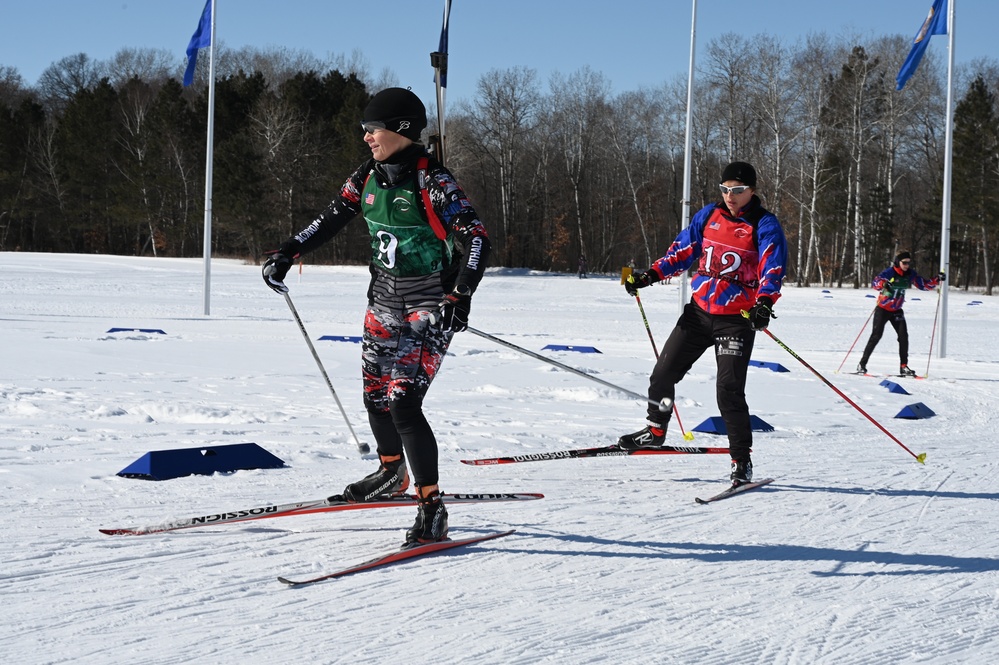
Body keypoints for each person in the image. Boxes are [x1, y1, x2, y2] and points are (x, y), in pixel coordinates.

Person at [261, 87, 491, 545]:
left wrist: (461, 295)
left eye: (373, 129)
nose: (366, 137)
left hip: (428, 304)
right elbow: (331, 216)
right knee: (375, 396)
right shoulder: (367, 175)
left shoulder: (433, 182)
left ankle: (431, 506)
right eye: (364, 130)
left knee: (404, 401)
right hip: (383, 300)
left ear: (401, 130)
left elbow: (477, 237)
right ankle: (391, 473)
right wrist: (289, 251)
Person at [619, 161, 788, 487]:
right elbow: (682, 251)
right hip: (698, 314)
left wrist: (764, 303)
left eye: (738, 190)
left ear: (752, 190)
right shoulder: (708, 216)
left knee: (728, 389)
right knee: (663, 374)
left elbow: (773, 266)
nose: (730, 196)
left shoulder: (764, 224)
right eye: (725, 189)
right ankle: (655, 430)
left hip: (735, 321)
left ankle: (741, 459)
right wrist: (650, 275)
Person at [857, 251, 943, 377]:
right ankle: (862, 364)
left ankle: (903, 366)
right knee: (876, 335)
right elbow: (875, 283)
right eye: (904, 263)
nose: (907, 265)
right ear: (898, 262)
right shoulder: (890, 272)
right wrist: (884, 284)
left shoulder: (910, 274)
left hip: (896, 310)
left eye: (909, 262)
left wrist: (936, 280)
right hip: (883, 309)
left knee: (903, 337)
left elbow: (923, 285)